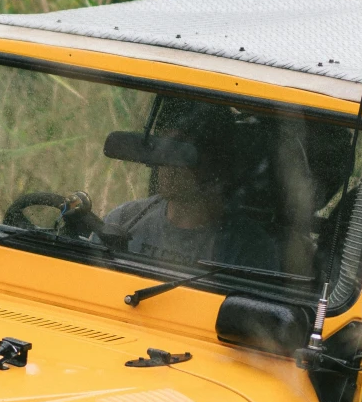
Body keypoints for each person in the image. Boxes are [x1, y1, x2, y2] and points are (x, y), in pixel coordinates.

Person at [101, 98, 278, 276]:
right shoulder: (123, 220)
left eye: (180, 151)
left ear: (214, 162)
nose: (166, 162)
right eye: (162, 147)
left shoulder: (249, 250)